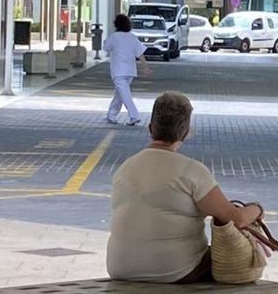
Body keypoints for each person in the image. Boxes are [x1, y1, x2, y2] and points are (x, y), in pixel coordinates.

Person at [107, 92, 265, 284]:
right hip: (176, 270)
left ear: (150, 128)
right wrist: (257, 209)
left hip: (119, 267)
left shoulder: (125, 167)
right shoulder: (192, 170)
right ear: (186, 131)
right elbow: (237, 219)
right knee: (240, 262)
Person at [103, 14, 152, 126]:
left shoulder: (114, 36)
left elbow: (106, 48)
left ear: (116, 25)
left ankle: (134, 116)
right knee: (120, 94)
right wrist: (146, 68)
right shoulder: (132, 37)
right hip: (130, 71)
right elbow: (141, 54)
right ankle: (112, 115)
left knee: (124, 94)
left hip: (118, 71)